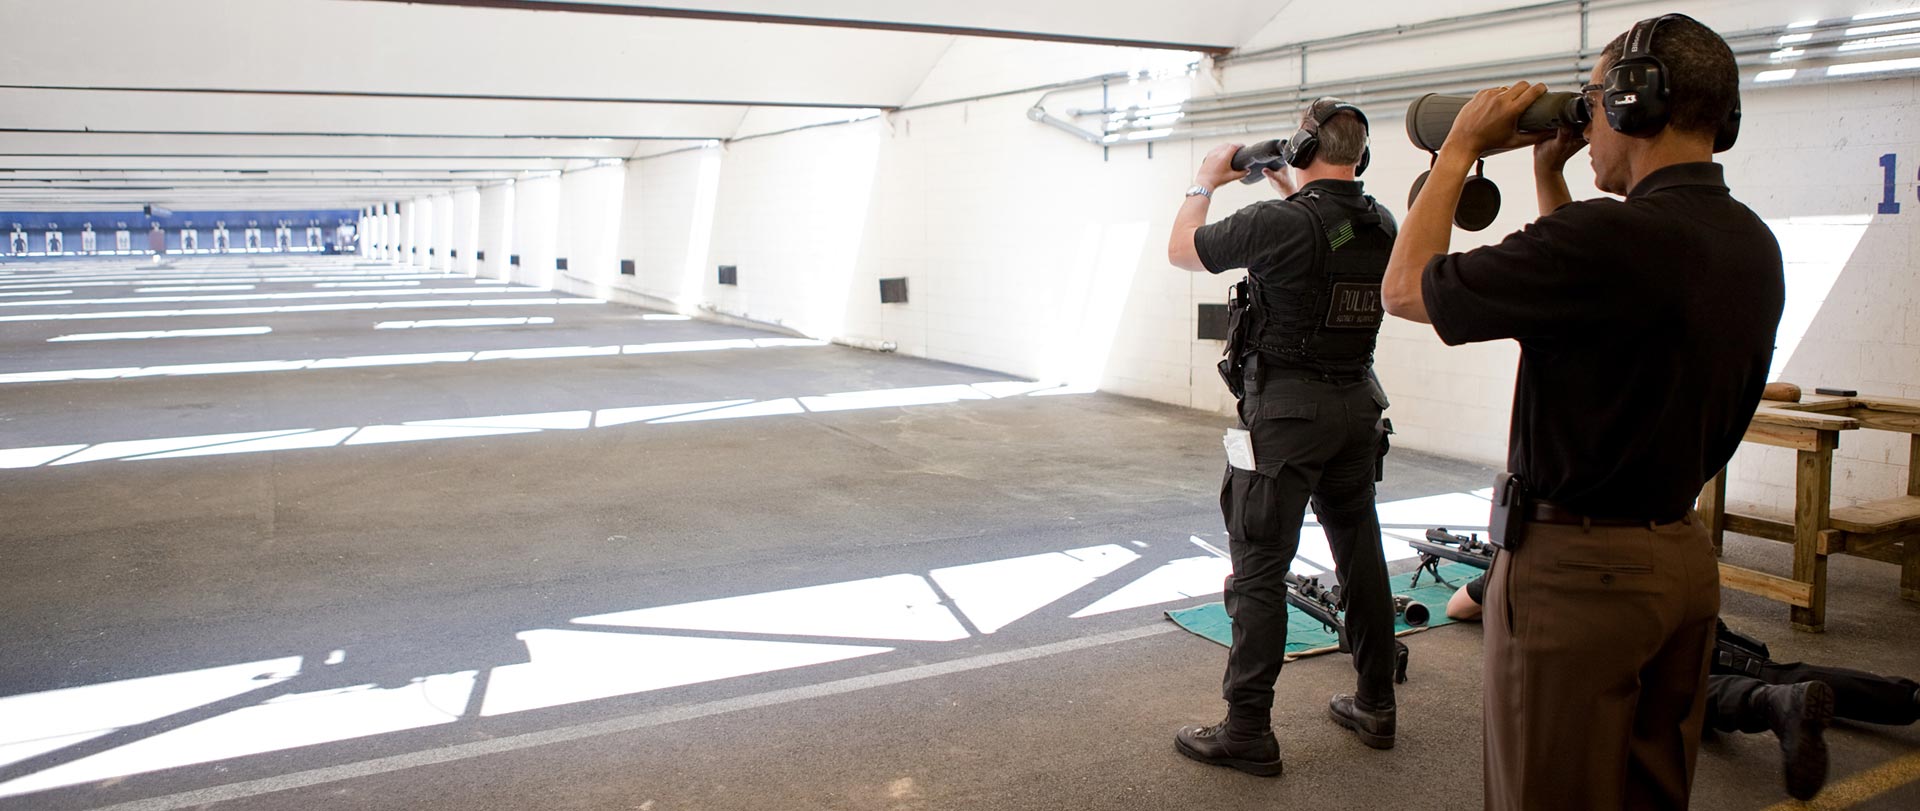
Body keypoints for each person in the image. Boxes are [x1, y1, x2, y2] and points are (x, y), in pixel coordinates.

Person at [1378, 14, 1786, 810]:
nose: (1588, 121)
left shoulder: (1608, 239)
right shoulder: (1750, 241)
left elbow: (1404, 287)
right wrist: (1550, 174)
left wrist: (1459, 148)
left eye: (1594, 100)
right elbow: (1591, 286)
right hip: (1680, 563)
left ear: (1635, 105)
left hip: (1579, 581)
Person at [1166, 98, 1399, 777]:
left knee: (1261, 566)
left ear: (1300, 150)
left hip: (1285, 420)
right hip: (1357, 408)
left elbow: (1184, 250)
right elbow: (1326, 233)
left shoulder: (1277, 224)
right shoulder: (1380, 220)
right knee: (1361, 555)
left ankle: (1247, 729)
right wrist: (1292, 189)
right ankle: (1376, 702)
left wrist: (1205, 178)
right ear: (1362, 156)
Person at [1444, 574, 1920, 801]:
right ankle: (1909, 697)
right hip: (1692, 615)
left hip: (1638, 654)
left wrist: (1491, 578)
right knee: (1780, 669)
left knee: (1686, 692)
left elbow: (1456, 608)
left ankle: (1770, 704)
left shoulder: (1533, 565)